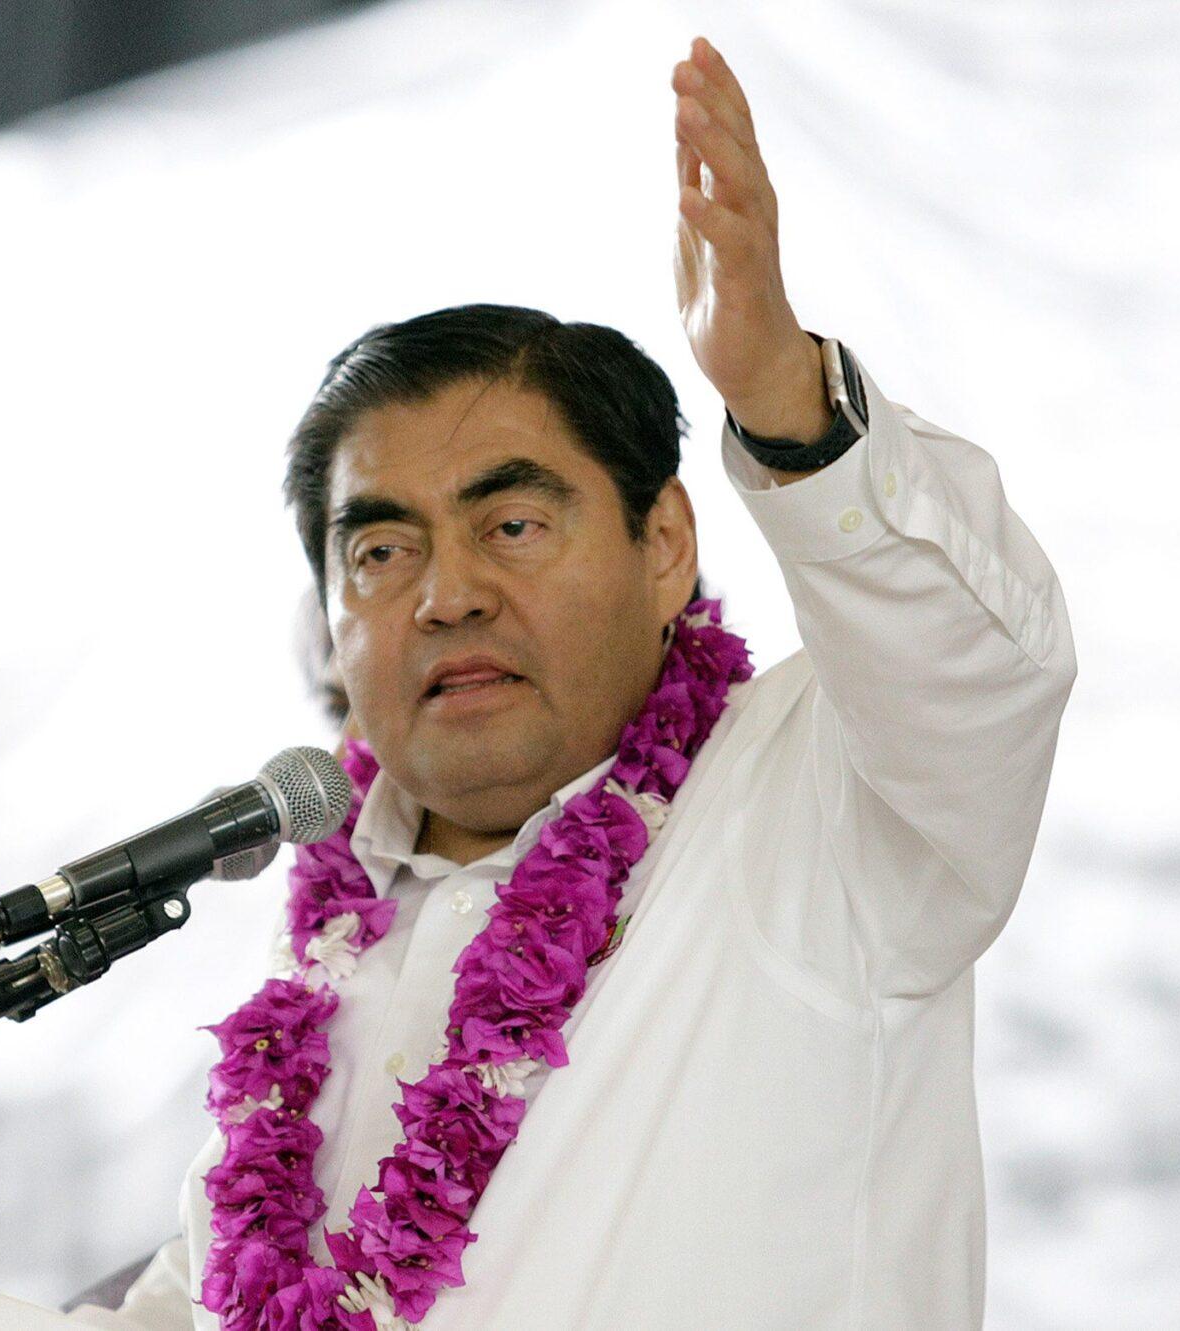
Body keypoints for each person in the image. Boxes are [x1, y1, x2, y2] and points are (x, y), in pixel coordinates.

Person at [74, 35, 1076, 1330]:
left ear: (665, 547)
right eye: (381, 551)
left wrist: (786, 398)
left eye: (513, 525)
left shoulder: (818, 808)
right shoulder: (321, 948)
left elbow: (978, 666)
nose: (447, 594)